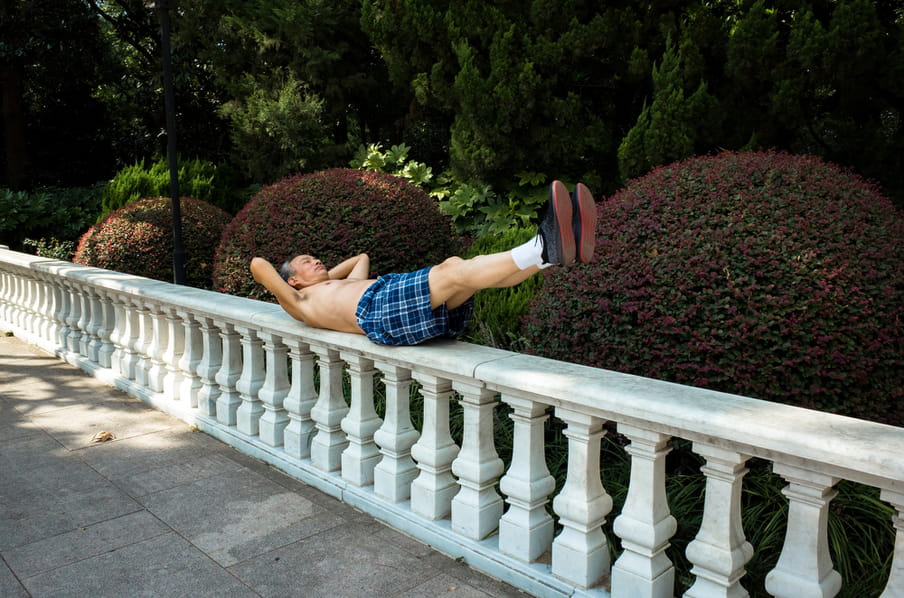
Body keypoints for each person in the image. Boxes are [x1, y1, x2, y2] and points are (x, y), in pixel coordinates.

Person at [250, 180, 596, 346]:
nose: (318, 261)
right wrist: (301, 283)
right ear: (292, 281)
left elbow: (361, 258)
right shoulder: (299, 302)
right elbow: (258, 264)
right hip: (378, 310)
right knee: (452, 269)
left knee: (463, 270)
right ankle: (542, 244)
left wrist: (324, 275)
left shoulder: (334, 286)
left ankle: (548, 256)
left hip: (387, 298)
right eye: (307, 262)